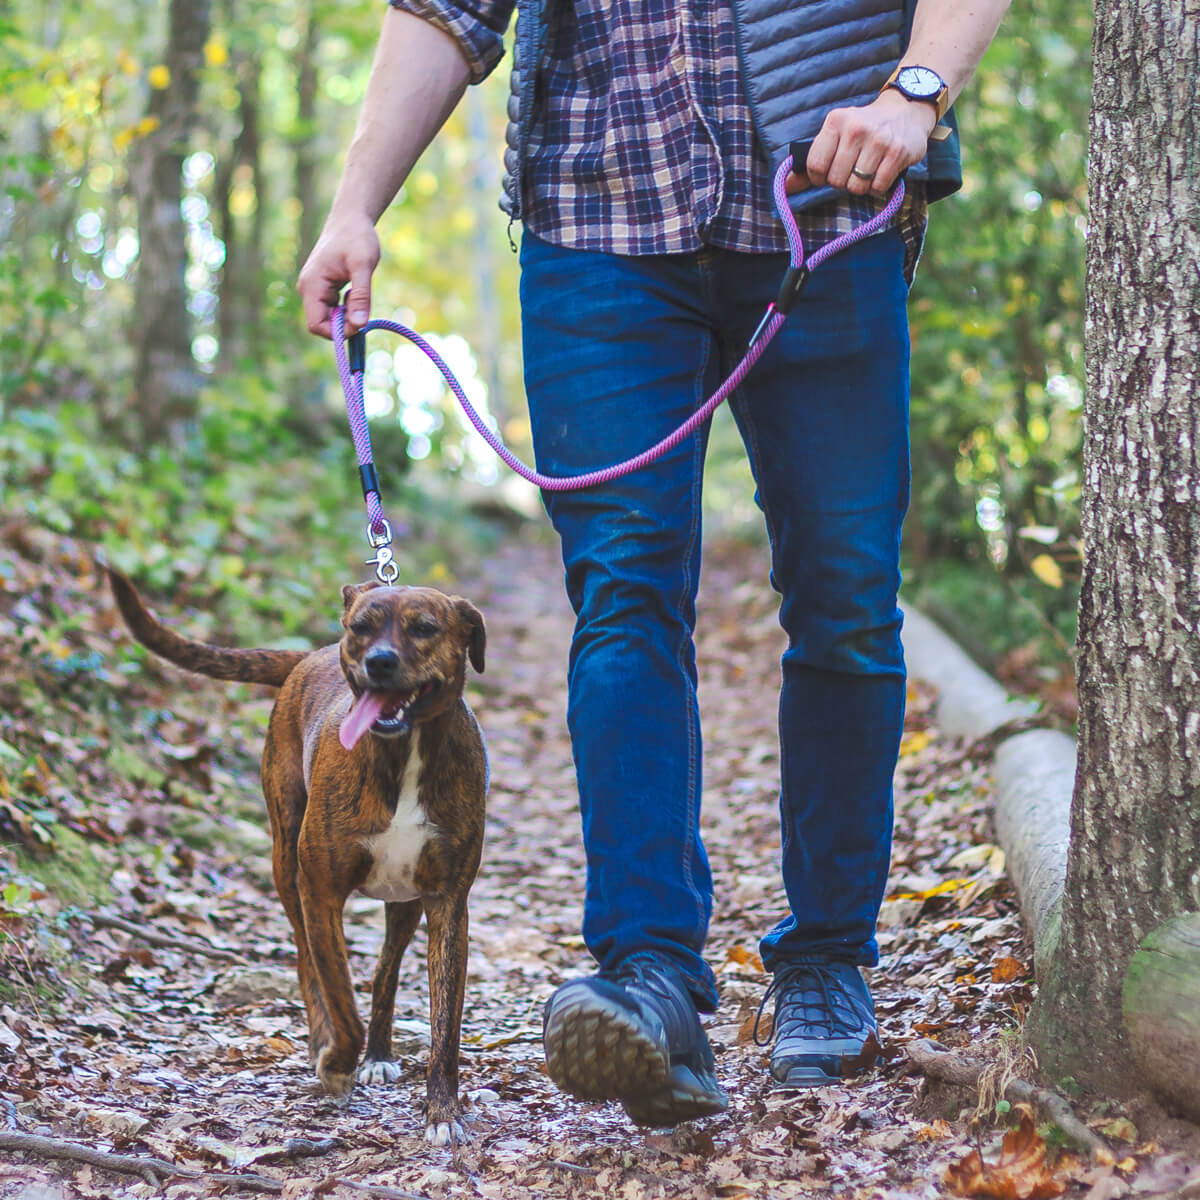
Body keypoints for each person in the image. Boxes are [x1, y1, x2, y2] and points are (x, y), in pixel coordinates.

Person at [298, 0, 1010, 1127]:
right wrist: (353, 205)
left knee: (845, 599)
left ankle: (827, 957)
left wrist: (915, 90)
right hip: (596, 230)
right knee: (624, 598)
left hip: (827, 209)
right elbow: (449, 11)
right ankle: (651, 976)